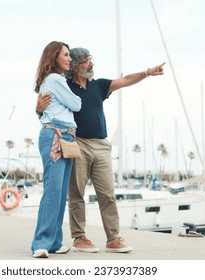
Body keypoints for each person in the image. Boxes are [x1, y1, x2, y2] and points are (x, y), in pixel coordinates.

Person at [36, 47, 165, 253]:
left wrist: (147, 72)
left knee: (107, 193)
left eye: (91, 60)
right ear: (76, 66)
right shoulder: (65, 86)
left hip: (101, 146)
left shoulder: (99, 86)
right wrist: (38, 108)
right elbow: (48, 109)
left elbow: (125, 80)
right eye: (86, 61)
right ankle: (79, 237)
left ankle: (113, 238)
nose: (91, 64)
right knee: (76, 194)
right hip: (76, 143)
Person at [30, 41, 82, 258]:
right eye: (67, 55)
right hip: (55, 136)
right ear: (54, 57)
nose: (70, 59)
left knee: (60, 194)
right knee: (53, 192)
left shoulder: (56, 80)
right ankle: (41, 243)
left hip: (66, 137)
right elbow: (77, 104)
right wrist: (75, 98)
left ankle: (55, 242)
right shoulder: (53, 79)